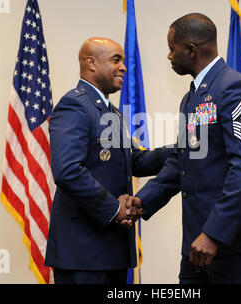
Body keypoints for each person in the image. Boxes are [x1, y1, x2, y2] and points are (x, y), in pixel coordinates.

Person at [133, 13, 241, 284]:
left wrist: (214, 233)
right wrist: (142, 201)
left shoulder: (234, 88)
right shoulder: (192, 98)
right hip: (197, 244)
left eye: (171, 48)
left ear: (190, 49)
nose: (168, 56)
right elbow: (184, 159)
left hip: (235, 245)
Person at [44, 37, 171, 284]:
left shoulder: (111, 112)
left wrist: (181, 148)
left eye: (123, 61)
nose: (124, 67)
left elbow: (135, 161)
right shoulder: (74, 105)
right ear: (91, 63)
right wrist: (114, 209)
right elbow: (68, 170)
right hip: (83, 253)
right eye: (116, 60)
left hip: (112, 251)